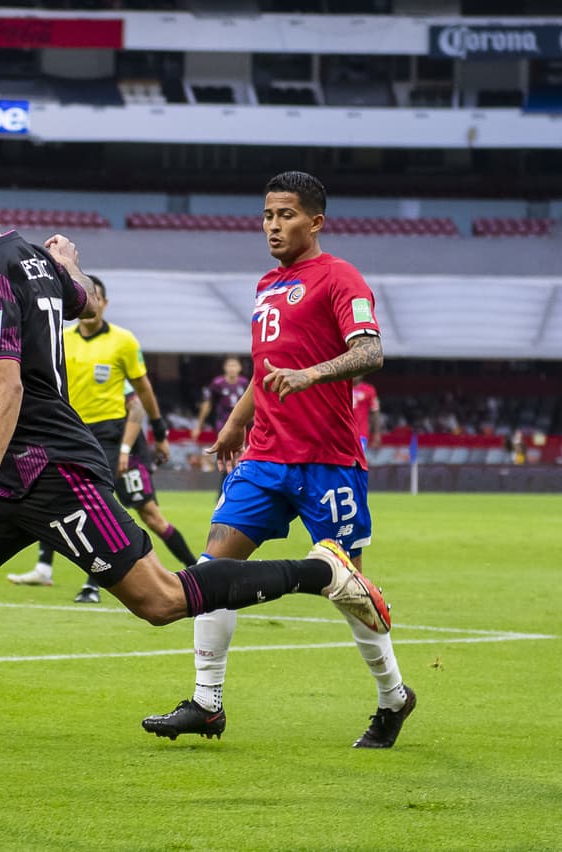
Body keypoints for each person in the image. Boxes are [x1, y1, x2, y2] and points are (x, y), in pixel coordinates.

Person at [0, 162, 395, 796]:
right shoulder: (33, 259)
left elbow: (4, 383)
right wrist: (69, 264)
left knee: (162, 601)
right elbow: (82, 302)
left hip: (52, 471)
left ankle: (321, 573)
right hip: (19, 475)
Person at [141, 171, 415, 750]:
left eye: (285, 215)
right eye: (267, 215)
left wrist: (311, 374)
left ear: (315, 221)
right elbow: (265, 372)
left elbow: (371, 350)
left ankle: (393, 697)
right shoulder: (267, 284)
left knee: (349, 588)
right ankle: (206, 702)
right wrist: (235, 424)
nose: (272, 225)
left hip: (328, 461)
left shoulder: (340, 277)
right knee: (211, 570)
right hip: (265, 457)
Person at [5, 278, 198, 601]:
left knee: (133, 511)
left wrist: (157, 432)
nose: (89, 302)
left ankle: (191, 568)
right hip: (67, 430)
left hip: (110, 437)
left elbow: (141, 395)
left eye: (96, 297)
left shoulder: (123, 342)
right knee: (52, 493)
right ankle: (53, 570)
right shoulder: (60, 339)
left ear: (104, 303)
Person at [192, 356, 249, 494]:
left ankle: (235, 491)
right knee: (228, 456)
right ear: (225, 368)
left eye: (234, 365)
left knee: (241, 457)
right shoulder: (217, 384)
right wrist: (198, 425)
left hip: (243, 425)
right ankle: (223, 492)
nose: (232, 369)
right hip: (224, 425)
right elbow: (207, 404)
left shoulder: (244, 383)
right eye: (229, 365)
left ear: (239, 368)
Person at [352, 376, 382, 454]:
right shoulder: (342, 388)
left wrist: (377, 434)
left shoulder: (369, 390)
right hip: (343, 433)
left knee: (357, 458)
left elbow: (375, 412)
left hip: (360, 433)